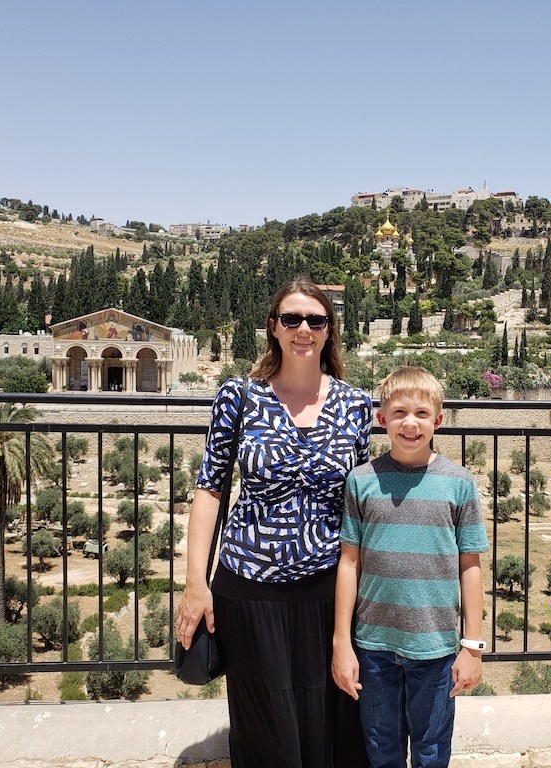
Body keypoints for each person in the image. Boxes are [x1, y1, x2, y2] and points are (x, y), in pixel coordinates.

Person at [176, 277, 373, 768]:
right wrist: (195, 584)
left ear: (330, 331)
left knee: (332, 717)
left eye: (316, 320)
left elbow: (362, 498)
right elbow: (209, 490)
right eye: (292, 318)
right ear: (273, 328)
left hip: (328, 587)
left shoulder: (355, 405)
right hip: (248, 585)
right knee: (264, 720)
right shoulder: (238, 397)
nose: (303, 328)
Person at [332, 366, 489, 768]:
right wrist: (342, 641)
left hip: (435, 648)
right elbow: (349, 562)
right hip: (373, 645)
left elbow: (470, 566)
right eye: (399, 412)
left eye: (421, 413)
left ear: (438, 420)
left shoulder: (458, 483)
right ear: (382, 419)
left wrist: (472, 646)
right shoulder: (361, 481)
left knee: (431, 751)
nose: (410, 423)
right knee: (380, 750)